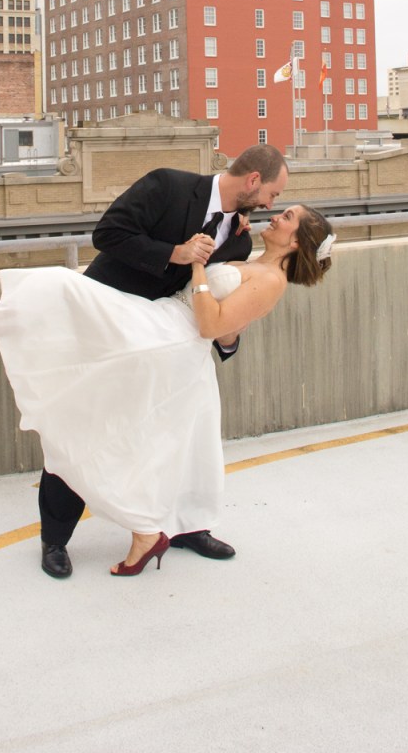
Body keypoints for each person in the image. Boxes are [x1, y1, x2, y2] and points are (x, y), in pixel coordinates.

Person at [38, 143, 290, 578]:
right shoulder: (169, 185)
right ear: (253, 181)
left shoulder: (239, 238)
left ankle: (186, 527)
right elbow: (107, 234)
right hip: (105, 330)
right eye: (273, 194)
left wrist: (227, 341)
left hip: (166, 353)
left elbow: (209, 298)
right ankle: (55, 539)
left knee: (176, 440)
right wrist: (175, 253)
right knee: (83, 430)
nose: (271, 204)